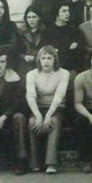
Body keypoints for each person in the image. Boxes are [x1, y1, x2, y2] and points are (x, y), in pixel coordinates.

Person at [26, 46, 70, 174]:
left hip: (57, 108)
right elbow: (31, 96)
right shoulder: (32, 74)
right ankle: (35, 163)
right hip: (38, 108)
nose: (46, 61)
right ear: (39, 60)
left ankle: (51, 163)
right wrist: (38, 116)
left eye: (49, 58)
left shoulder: (63, 73)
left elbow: (59, 96)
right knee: (32, 122)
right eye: (43, 58)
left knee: (53, 121)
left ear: (54, 60)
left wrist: (48, 116)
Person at [41, 1, 83, 74]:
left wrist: (59, 50)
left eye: (68, 11)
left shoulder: (74, 31)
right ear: (57, 13)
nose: (68, 13)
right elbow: (48, 52)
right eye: (64, 11)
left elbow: (77, 52)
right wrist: (68, 48)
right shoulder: (48, 32)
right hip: (53, 68)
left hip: (71, 68)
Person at [17, 6, 45, 79]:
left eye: (34, 17)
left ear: (39, 18)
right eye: (28, 17)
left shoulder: (45, 32)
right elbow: (16, 50)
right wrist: (24, 57)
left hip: (40, 64)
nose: (31, 20)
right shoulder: (21, 32)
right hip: (25, 65)